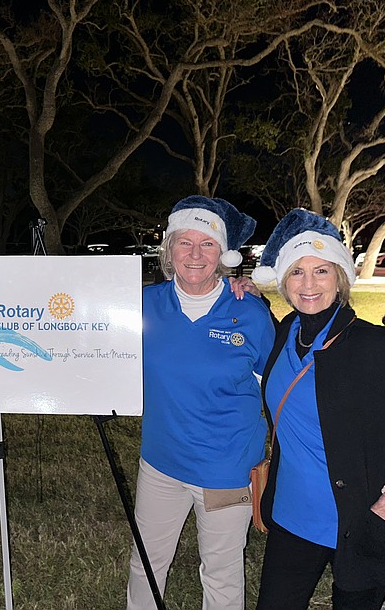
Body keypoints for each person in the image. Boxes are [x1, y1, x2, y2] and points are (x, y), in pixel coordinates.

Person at [250, 209, 385, 610]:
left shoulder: (380, 348)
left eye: (321, 271)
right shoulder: (285, 331)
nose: (308, 284)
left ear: (340, 278)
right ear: (283, 281)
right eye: (297, 272)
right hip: (291, 515)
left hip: (360, 520)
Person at [126, 196, 275, 610]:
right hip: (160, 464)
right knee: (146, 563)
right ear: (168, 251)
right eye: (184, 243)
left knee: (222, 572)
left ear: (223, 255)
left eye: (207, 244)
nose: (195, 254)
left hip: (227, 469)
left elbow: (275, 386)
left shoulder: (249, 312)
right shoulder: (142, 304)